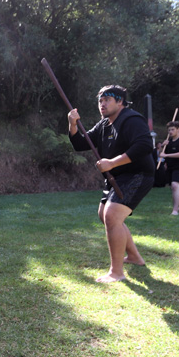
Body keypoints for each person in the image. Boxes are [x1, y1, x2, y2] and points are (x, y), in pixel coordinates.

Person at [67, 85, 155, 283]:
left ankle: (116, 272)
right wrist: (72, 124)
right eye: (100, 101)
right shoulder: (104, 125)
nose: (102, 104)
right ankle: (133, 256)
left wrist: (112, 163)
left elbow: (144, 146)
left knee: (112, 215)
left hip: (138, 174)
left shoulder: (131, 119)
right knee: (104, 214)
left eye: (107, 100)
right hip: (117, 177)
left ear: (120, 101)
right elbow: (81, 144)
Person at [158, 121, 179, 215]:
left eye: (172, 129)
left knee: (175, 186)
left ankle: (175, 210)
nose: (170, 132)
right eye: (169, 130)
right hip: (170, 166)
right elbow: (161, 154)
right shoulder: (168, 141)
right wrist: (162, 146)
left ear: (178, 129)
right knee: (174, 187)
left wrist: (166, 155)